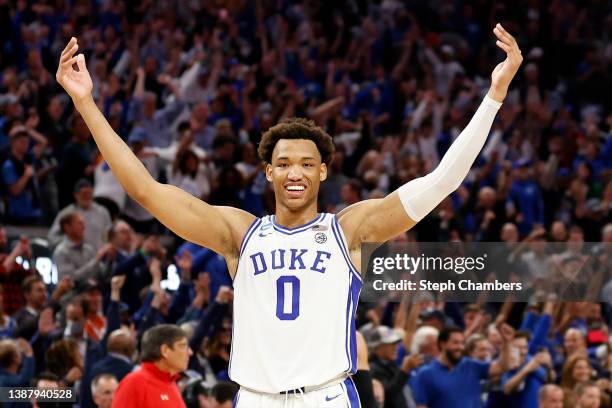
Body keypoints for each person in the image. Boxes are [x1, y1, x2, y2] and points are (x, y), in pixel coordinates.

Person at [56, 22, 522, 407]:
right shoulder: (239, 233)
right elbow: (145, 190)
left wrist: (493, 97)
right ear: (267, 173)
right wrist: (85, 103)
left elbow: (441, 182)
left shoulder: (349, 230)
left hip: (326, 397)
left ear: (322, 171)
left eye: (304, 163)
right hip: (255, 398)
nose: (293, 173)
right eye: (282, 164)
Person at [412, 326, 514, 408]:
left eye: (462, 343)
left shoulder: (470, 365)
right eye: (455, 343)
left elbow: (501, 367)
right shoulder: (425, 374)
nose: (460, 347)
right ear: (442, 344)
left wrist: (507, 342)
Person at [112, 324, 193, 407]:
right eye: (183, 346)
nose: (190, 352)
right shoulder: (134, 383)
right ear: (165, 350)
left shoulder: (171, 383)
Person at [48, 178, 112, 250]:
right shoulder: (66, 213)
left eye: (90, 193)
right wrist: (70, 240)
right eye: (84, 193)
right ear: (76, 195)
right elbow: (52, 237)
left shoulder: (102, 212)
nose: (87, 196)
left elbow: (110, 235)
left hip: (99, 256)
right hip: (74, 257)